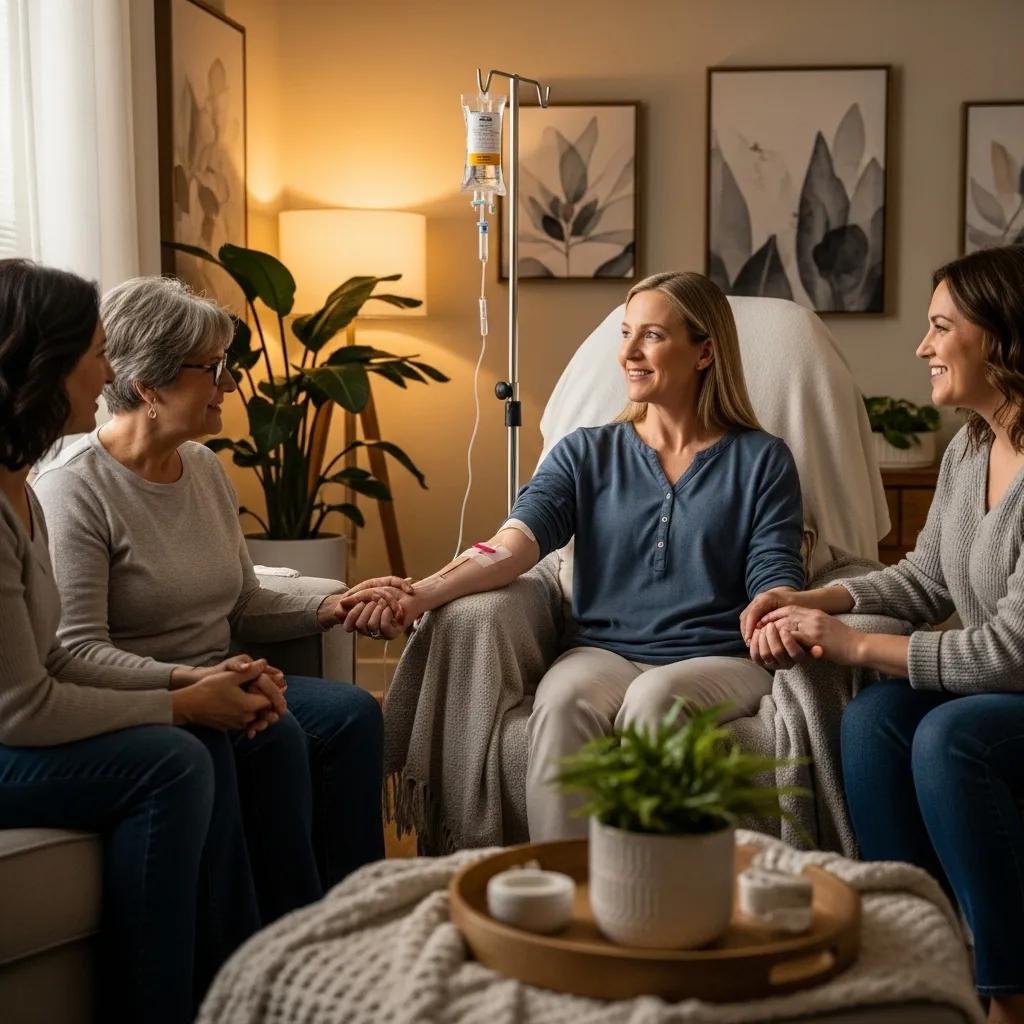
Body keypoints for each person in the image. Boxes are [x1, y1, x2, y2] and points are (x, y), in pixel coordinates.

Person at [340, 271, 805, 840]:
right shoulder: (585, 452)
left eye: (652, 336)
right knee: (560, 703)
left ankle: (648, 881)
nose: (629, 353)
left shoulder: (762, 460)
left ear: (704, 352)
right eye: (626, 333)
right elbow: (511, 545)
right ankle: (564, 882)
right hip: (602, 652)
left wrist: (778, 609)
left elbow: (774, 569)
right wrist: (419, 594)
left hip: (719, 659)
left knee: (655, 700)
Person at [32, 276, 385, 908]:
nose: (230, 383)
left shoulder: (202, 466)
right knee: (269, 733)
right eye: (214, 368)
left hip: (221, 673)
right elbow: (77, 650)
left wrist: (334, 605)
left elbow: (242, 601)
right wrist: (198, 682)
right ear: (150, 386)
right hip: (148, 692)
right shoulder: (73, 489)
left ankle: (360, 912)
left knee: (353, 715)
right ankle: (288, 928)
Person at [742, 245, 1024, 1024]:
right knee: (873, 721)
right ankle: (918, 951)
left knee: (950, 739)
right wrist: (814, 596)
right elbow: (925, 578)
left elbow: (1010, 651)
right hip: (1003, 689)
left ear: (1003, 336)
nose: (923, 347)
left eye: (942, 327)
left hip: (1012, 684)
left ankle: (1007, 994)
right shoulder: (970, 448)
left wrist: (852, 644)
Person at [0, 259, 286, 1022]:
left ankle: (246, 988)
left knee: (226, 737)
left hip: (27, 718)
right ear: (41, 366)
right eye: (96, 355)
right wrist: (182, 705)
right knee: (174, 758)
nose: (109, 374)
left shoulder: (19, 488)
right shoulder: (57, 488)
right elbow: (23, 708)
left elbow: (54, 657)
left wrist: (190, 686)